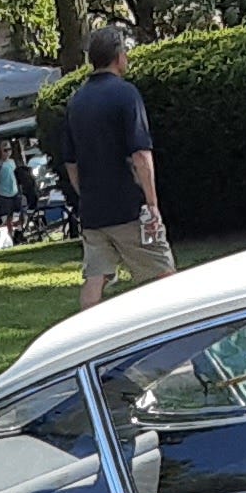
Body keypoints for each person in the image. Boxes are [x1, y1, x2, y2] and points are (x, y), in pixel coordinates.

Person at [63, 23, 173, 306]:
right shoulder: (126, 94)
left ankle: (88, 329)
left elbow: (71, 163)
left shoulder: (76, 101)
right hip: (128, 206)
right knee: (163, 273)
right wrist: (152, 204)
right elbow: (141, 155)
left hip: (93, 210)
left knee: (95, 277)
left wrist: (85, 194)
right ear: (118, 56)